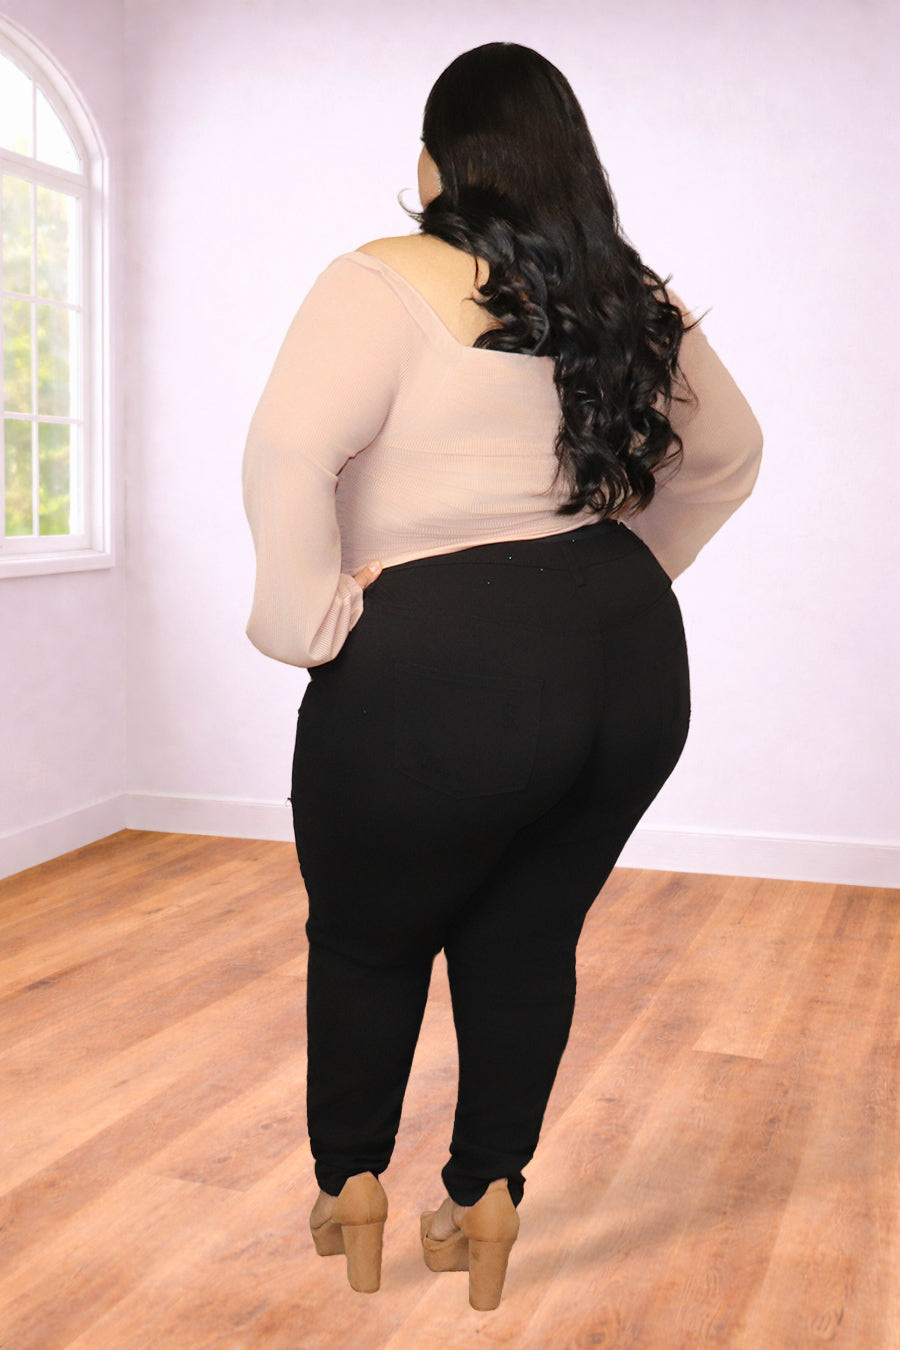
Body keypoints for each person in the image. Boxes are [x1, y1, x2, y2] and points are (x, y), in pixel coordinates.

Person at [242, 42, 763, 1311]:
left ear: (437, 163)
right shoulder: (627, 292)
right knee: (528, 938)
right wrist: (628, 573)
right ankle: (486, 1198)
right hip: (628, 659)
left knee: (369, 942)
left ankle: (352, 1184)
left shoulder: (379, 278)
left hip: (442, 663)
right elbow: (732, 453)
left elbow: (288, 454)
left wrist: (308, 623)